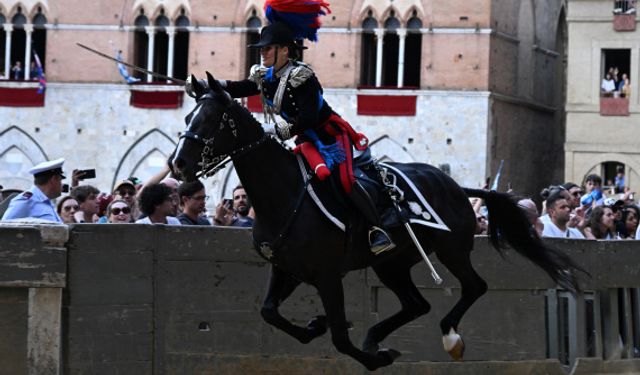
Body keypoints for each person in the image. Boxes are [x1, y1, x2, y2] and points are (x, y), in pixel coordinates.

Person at [207, 1, 394, 254]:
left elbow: (307, 117)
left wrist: (273, 130)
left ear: (284, 50)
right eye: (262, 49)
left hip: (330, 137)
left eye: (268, 49)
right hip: (305, 140)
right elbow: (242, 87)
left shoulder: (302, 76)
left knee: (345, 179)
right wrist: (208, 85)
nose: (263, 54)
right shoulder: (266, 76)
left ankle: (376, 230)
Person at [1, 158, 65, 222]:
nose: (61, 184)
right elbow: (4, 227)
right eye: (60, 180)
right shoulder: (26, 201)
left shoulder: (46, 202)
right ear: (54, 179)